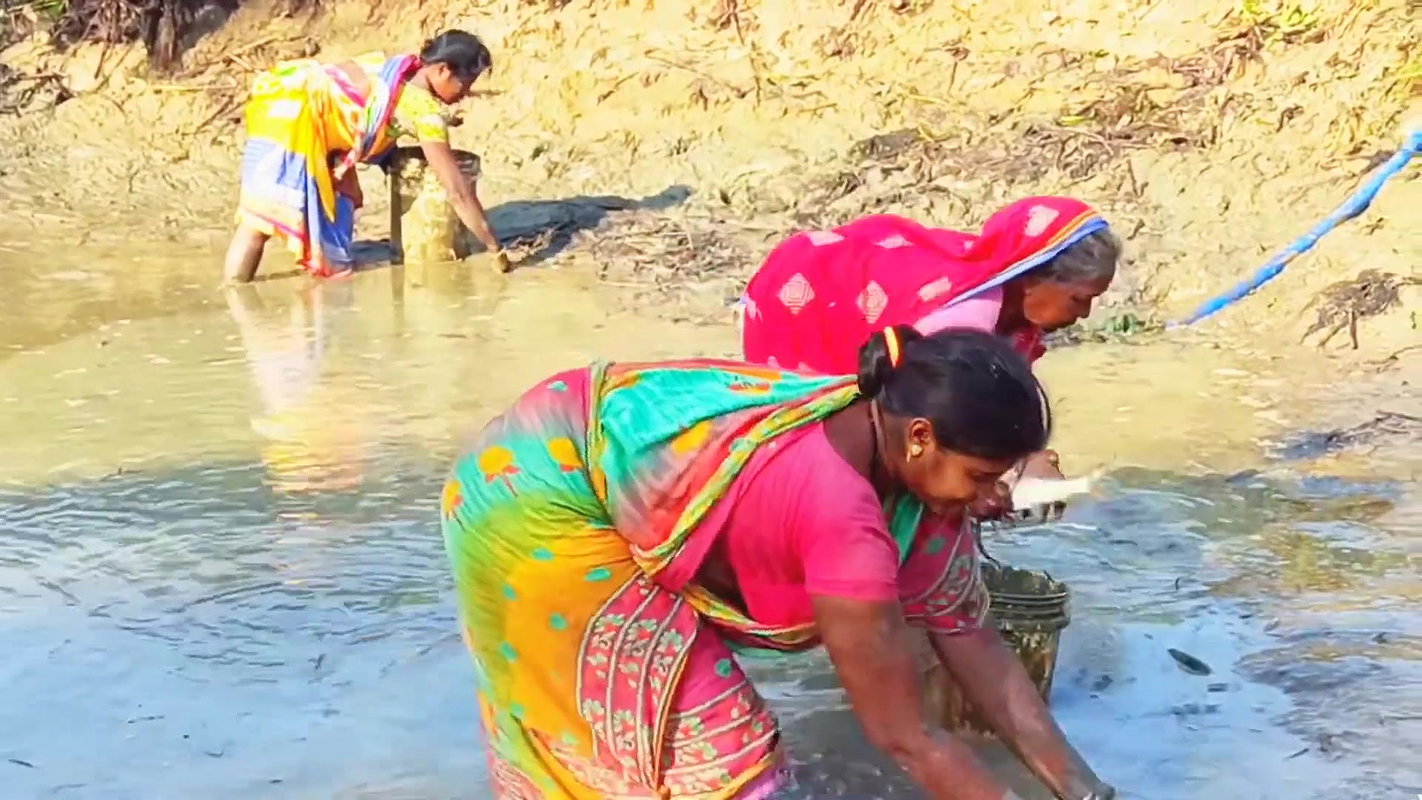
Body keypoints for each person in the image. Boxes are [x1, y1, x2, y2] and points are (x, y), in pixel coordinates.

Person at [441, 327, 1117, 800]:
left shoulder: (904, 463)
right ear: (920, 438)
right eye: (980, 477)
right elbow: (904, 734)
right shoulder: (841, 518)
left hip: (589, 448)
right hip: (536, 492)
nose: (993, 499)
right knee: (725, 763)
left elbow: (976, 642)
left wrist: (1086, 790)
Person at [738, 196, 1120, 511]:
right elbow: (929, 425)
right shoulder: (958, 326)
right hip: (804, 296)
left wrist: (1026, 460)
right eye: (1079, 299)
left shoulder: (1013, 319)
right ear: (1032, 278)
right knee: (827, 447)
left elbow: (991, 414)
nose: (1083, 315)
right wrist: (980, 492)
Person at [223, 29, 506, 283]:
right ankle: (240, 297)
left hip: (281, 103)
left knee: (276, 219)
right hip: (292, 127)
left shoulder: (399, 69)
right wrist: (495, 246)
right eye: (465, 85)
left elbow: (364, 113)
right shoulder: (424, 109)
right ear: (443, 70)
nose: (465, 95)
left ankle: (254, 302)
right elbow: (457, 191)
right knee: (257, 224)